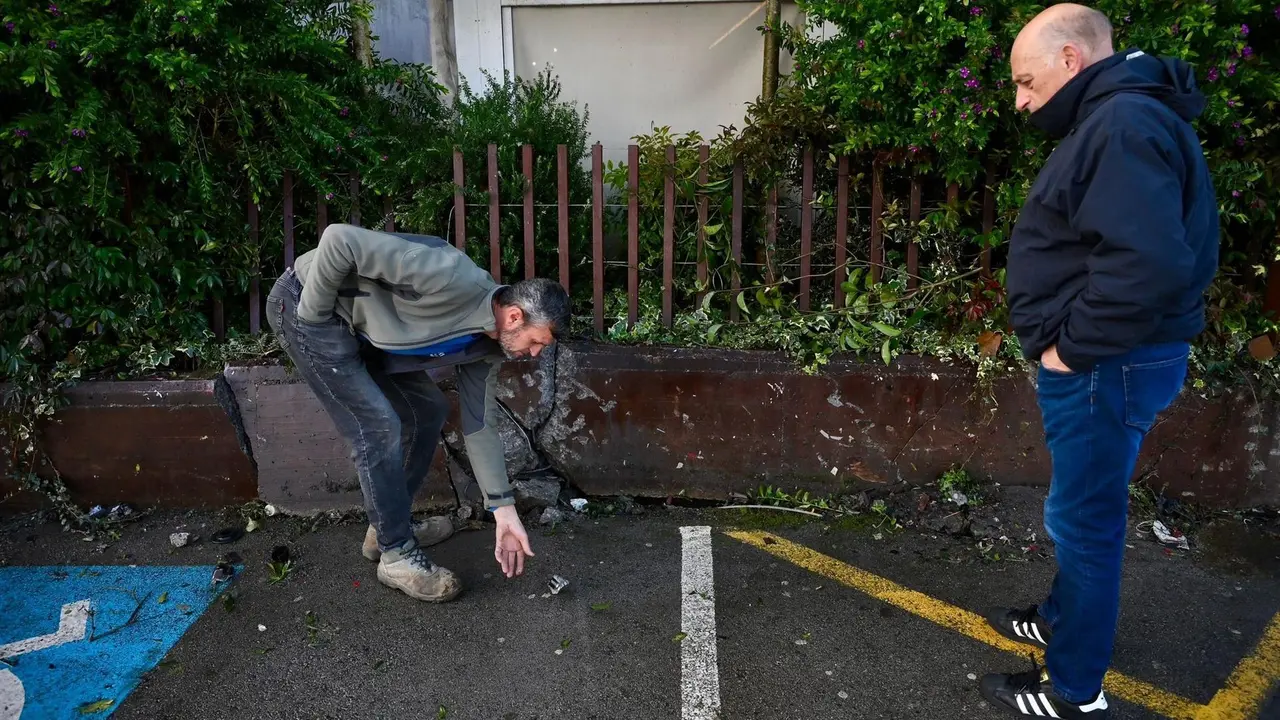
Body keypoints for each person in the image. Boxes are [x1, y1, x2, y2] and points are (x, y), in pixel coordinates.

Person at [982, 4, 1218, 718]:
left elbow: (1145, 265)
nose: (1021, 100)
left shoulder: (1121, 125)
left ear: (1071, 61)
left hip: (1105, 364)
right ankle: (1062, 614)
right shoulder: (1121, 118)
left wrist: (1067, 351)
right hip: (1115, 362)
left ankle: (1074, 689)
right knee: (1082, 506)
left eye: (1026, 81)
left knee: (1085, 519)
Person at [266, 223, 570, 603]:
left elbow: (479, 425)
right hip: (307, 305)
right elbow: (338, 239)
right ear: (514, 317)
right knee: (377, 426)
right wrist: (312, 318)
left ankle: (386, 526)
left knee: (428, 409)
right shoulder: (445, 275)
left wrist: (503, 511)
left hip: (361, 333)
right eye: (536, 341)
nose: (535, 353)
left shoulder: (488, 348)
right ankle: (395, 554)